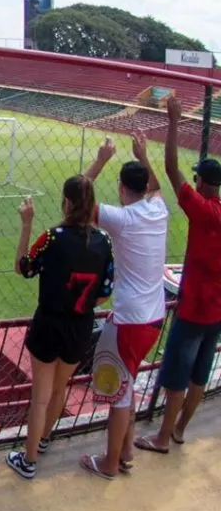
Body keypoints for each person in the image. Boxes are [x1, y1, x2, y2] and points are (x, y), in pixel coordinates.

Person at [6, 177, 114, 481]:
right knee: (60, 388)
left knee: (40, 394)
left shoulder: (53, 237)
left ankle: (27, 461)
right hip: (80, 327)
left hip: (50, 323)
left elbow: (23, 267)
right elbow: (105, 291)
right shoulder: (104, 241)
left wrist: (26, 224)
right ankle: (42, 441)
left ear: (66, 203)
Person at [137, 96, 221, 454]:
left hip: (193, 310)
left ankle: (160, 439)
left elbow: (171, 170)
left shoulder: (202, 210)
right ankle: (181, 431)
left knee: (175, 379)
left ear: (202, 181)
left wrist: (173, 121)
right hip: (217, 311)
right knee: (200, 375)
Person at [80, 134, 168, 477]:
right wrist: (144, 155)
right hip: (155, 317)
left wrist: (101, 159)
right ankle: (126, 451)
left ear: (121, 187)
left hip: (129, 320)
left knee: (118, 394)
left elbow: (77, 200)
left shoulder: (121, 218)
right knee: (127, 384)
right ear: (146, 186)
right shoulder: (158, 208)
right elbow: (157, 186)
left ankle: (109, 463)